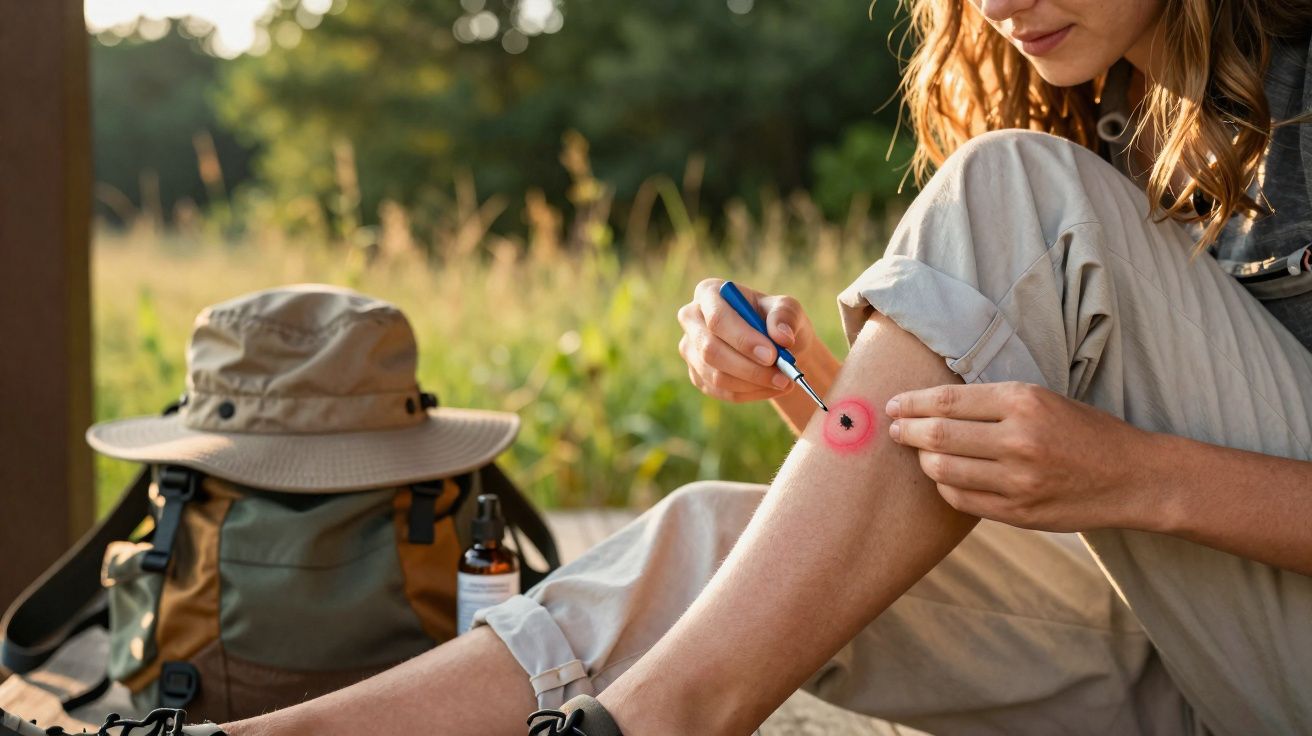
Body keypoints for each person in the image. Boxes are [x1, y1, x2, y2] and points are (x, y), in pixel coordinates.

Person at [6, 0, 1312, 734]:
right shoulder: (1127, 117)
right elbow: (1061, 485)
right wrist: (835, 393)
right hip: (1186, 648)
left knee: (1012, 185)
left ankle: (659, 724)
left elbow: (1138, 481)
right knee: (707, 542)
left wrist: (1144, 477)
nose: (1007, 2)